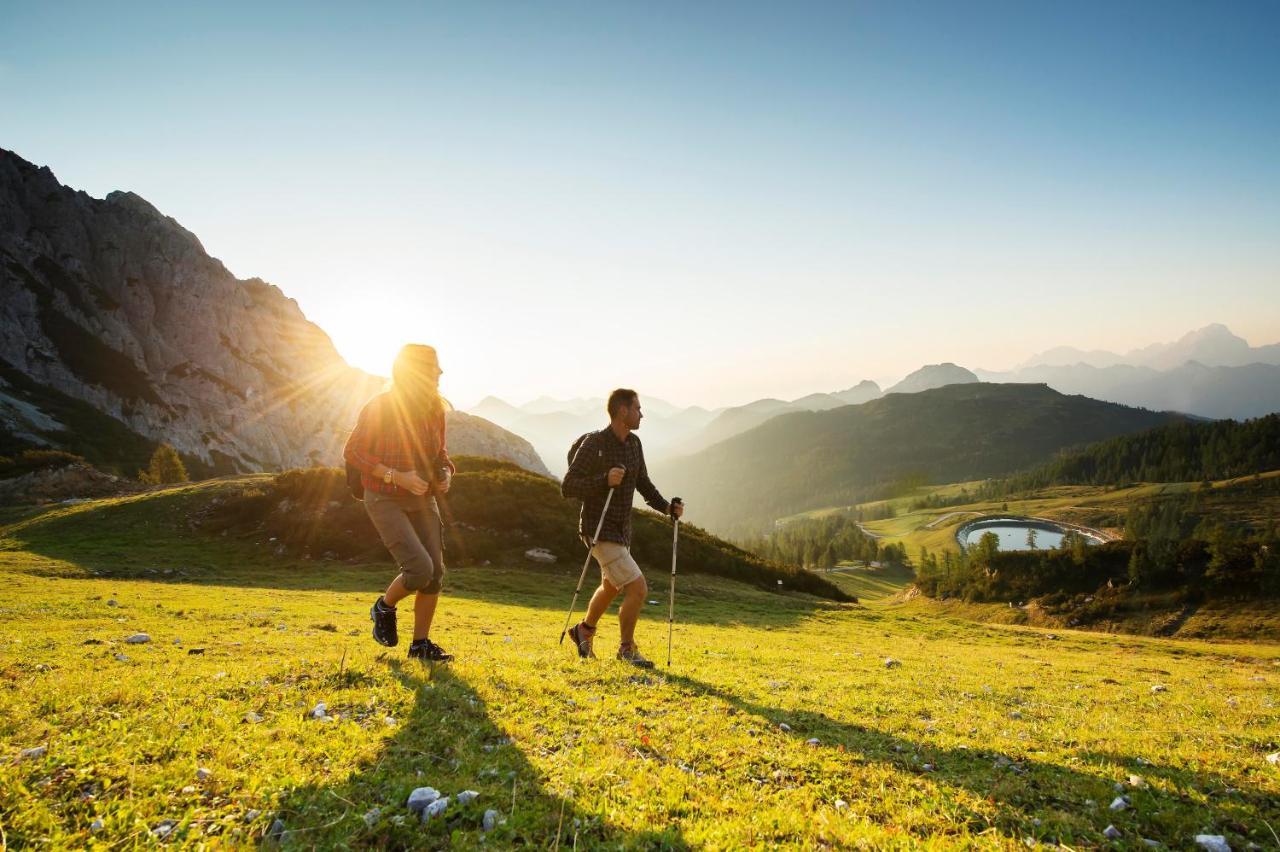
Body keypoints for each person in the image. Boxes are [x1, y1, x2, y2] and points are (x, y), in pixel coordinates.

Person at [343, 344, 455, 662]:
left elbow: (440, 455)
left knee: (436, 573)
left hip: (422, 499)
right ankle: (384, 607)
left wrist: (446, 473)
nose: (440, 373)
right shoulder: (380, 406)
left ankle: (420, 644)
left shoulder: (435, 410)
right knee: (419, 568)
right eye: (434, 367)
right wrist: (396, 476)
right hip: (384, 497)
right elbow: (353, 451)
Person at [561, 388, 685, 667]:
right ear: (622, 412)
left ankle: (584, 630)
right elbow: (568, 486)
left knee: (611, 586)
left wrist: (667, 508)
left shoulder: (634, 444)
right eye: (637, 408)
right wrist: (604, 480)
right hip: (598, 527)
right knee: (638, 588)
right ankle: (626, 649)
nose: (642, 413)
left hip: (620, 530)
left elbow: (643, 483)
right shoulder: (594, 443)